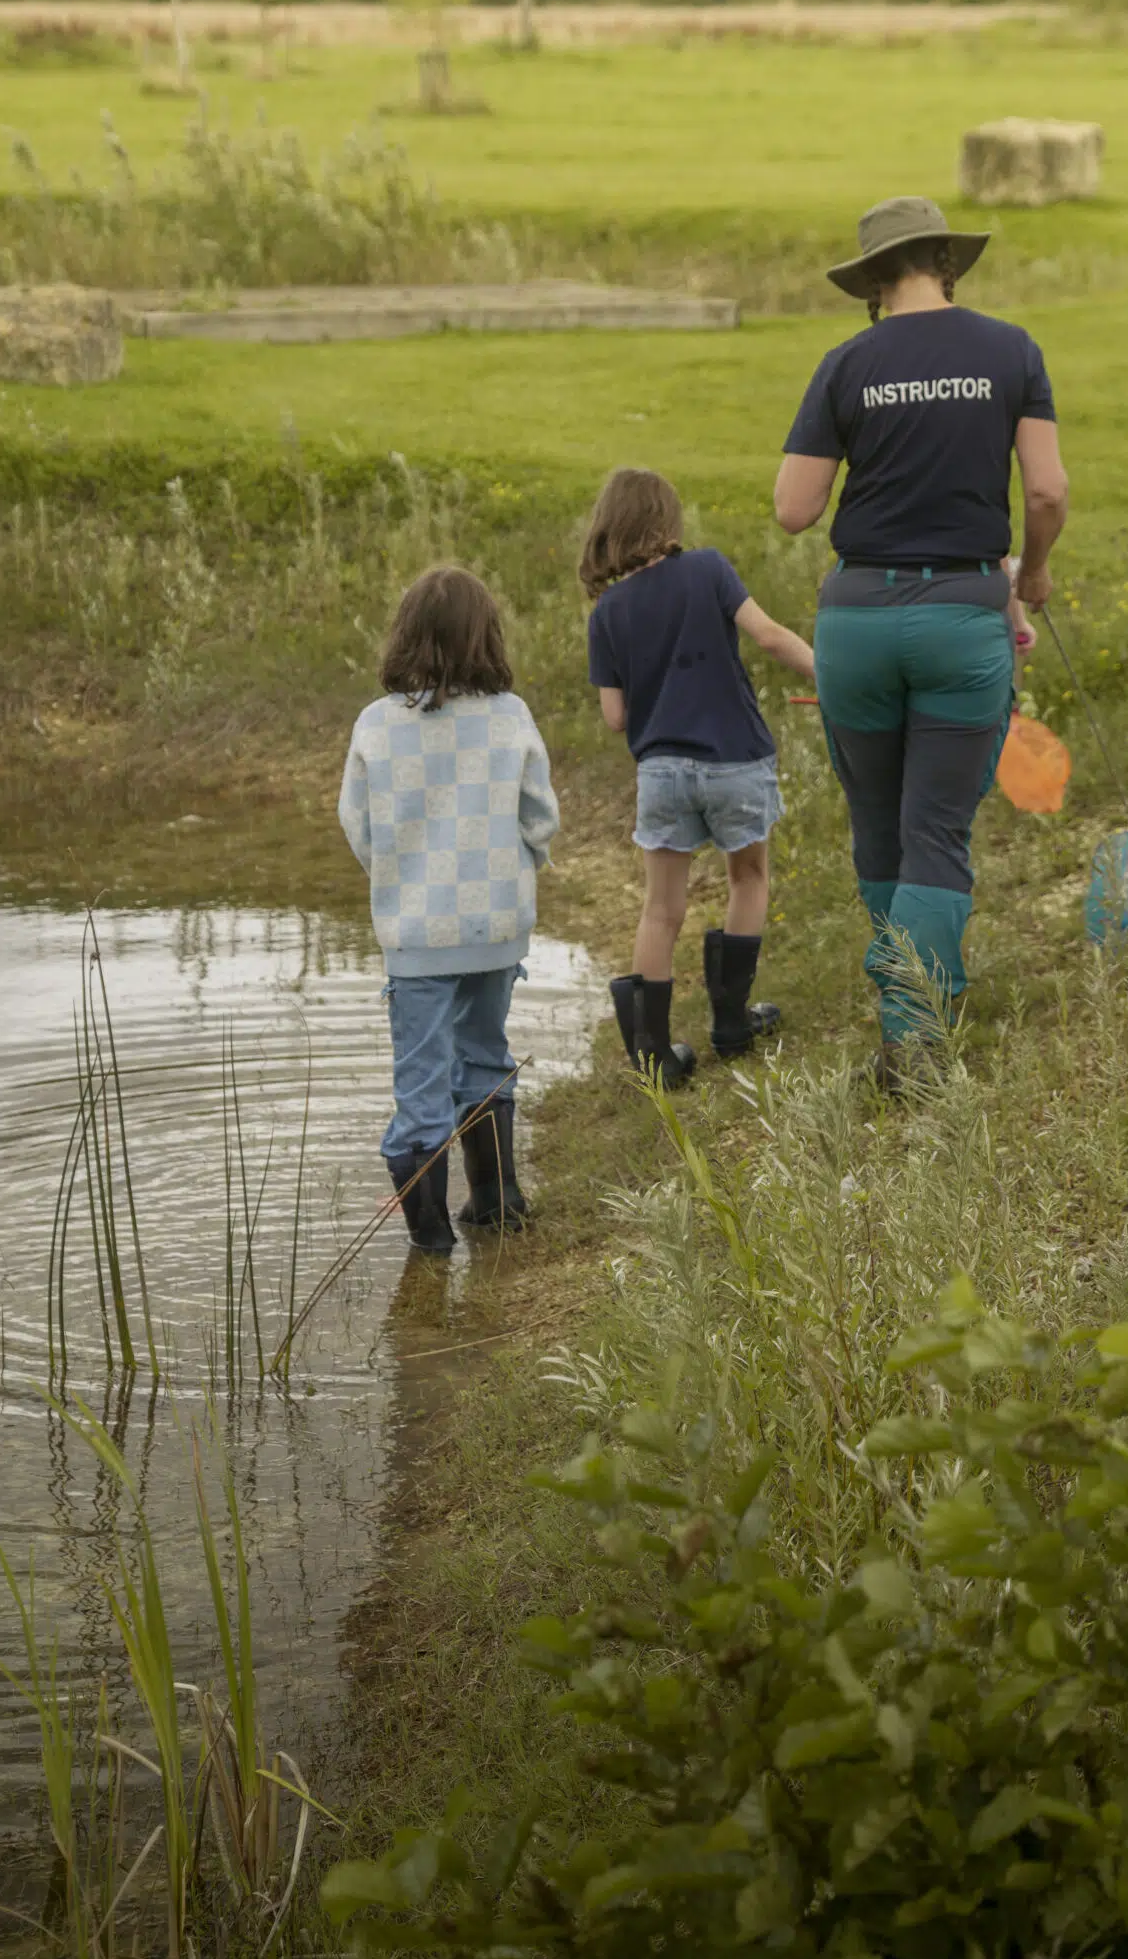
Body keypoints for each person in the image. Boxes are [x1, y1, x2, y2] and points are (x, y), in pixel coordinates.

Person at [774, 196, 1068, 1081]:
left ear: (871, 282)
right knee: (935, 829)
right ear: (947, 264)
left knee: (878, 827)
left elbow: (794, 509)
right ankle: (915, 1037)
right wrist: (1034, 572)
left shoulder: (845, 364)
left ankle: (904, 1008)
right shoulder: (1011, 351)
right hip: (962, 617)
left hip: (858, 621)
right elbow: (1047, 492)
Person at [337, 566, 559, 1252]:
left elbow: (357, 824)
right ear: (487, 637)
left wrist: (396, 876)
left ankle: (430, 1245)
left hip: (416, 932)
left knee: (421, 1082)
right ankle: (498, 1202)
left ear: (405, 635)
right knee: (485, 1051)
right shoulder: (511, 715)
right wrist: (516, 869)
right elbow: (540, 817)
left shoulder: (377, 724)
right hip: (497, 925)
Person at [583, 467, 816, 1085]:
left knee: (661, 909)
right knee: (749, 877)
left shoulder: (607, 611)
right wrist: (828, 673)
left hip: (662, 771)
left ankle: (655, 1057)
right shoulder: (708, 569)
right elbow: (768, 637)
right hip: (736, 758)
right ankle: (732, 1023)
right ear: (666, 520)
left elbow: (614, 718)